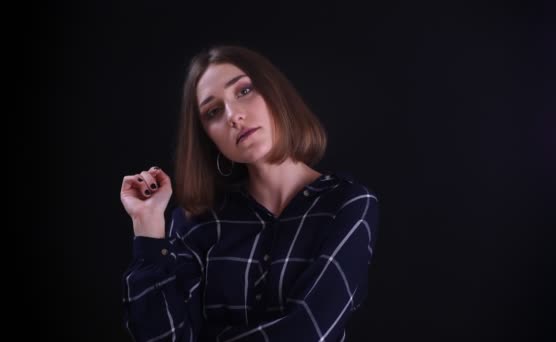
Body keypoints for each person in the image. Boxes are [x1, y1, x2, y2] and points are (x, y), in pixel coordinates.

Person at [120, 45, 380, 342]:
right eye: (213, 112)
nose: (233, 116)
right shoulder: (198, 223)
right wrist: (148, 222)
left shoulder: (346, 203)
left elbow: (309, 330)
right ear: (209, 138)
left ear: (275, 94)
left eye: (243, 91)